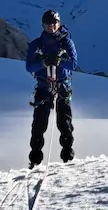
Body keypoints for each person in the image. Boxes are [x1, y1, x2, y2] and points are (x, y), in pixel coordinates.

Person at [26, 9, 77, 168]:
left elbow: (73, 63)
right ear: (43, 25)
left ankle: (67, 153)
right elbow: (29, 66)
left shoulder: (66, 42)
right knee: (39, 123)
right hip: (44, 86)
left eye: (54, 23)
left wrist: (58, 62)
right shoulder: (37, 44)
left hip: (61, 86)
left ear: (59, 24)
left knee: (65, 122)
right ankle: (35, 157)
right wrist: (44, 63)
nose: (51, 26)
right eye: (48, 23)